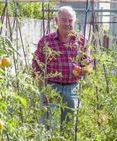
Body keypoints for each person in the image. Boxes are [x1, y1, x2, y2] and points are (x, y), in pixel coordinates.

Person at [31, 5, 93, 136]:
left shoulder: (81, 40)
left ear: (74, 22)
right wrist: (44, 88)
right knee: (48, 125)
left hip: (72, 88)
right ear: (56, 21)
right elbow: (36, 64)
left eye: (70, 20)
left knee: (69, 126)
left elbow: (89, 63)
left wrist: (83, 69)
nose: (67, 23)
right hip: (51, 87)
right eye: (64, 20)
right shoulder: (46, 41)